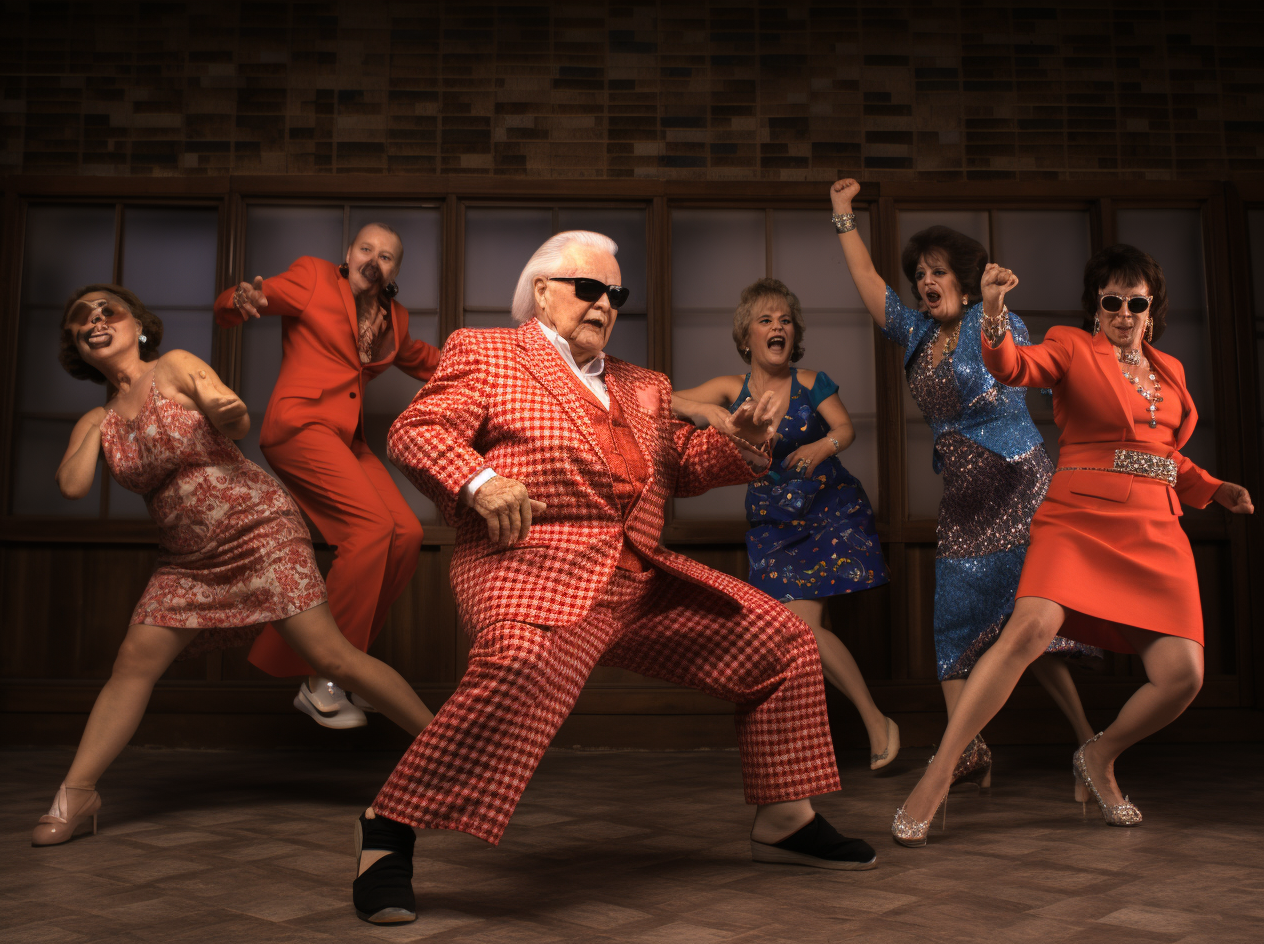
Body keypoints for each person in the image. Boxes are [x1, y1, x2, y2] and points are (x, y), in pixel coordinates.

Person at [349, 231, 877, 926]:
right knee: (521, 662)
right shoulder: (488, 352)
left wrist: (742, 442)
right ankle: (388, 828)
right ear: (542, 293)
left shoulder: (644, 386)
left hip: (639, 579)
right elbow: (416, 431)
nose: (604, 304)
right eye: (587, 289)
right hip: (530, 566)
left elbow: (681, 469)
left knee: (782, 639)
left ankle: (786, 817)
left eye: (614, 295)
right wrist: (478, 480)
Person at [33, 285, 433, 847]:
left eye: (109, 312)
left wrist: (226, 408)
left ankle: (448, 752)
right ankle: (78, 794)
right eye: (82, 320)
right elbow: (73, 486)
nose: (97, 321)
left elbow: (235, 418)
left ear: (138, 326)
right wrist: (100, 424)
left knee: (330, 656)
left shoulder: (173, 367)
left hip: (258, 530)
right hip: (186, 561)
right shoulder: (95, 421)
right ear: (78, 344)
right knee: (132, 662)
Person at [890, 245, 1255, 845]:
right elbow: (1012, 367)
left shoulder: (1171, 371)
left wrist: (1212, 490)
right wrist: (993, 311)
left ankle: (1099, 755)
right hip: (1079, 518)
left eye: (1136, 302)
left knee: (1183, 676)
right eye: (1112, 301)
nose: (1124, 312)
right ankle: (938, 773)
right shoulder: (1070, 346)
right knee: (1028, 630)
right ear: (1096, 307)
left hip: (1157, 531)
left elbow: (1163, 454)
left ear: (1151, 310)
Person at [830, 178, 1099, 790]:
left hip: (1019, 488)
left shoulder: (994, 318)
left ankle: (1090, 745)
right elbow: (870, 283)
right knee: (952, 628)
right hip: (963, 499)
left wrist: (996, 307)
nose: (926, 281)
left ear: (964, 278)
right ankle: (966, 748)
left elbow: (1019, 370)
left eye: (938, 271)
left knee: (1033, 634)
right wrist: (843, 215)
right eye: (920, 273)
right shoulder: (917, 333)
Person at [215, 224, 441, 729]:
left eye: (386, 257)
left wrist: (500, 365)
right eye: (366, 249)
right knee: (369, 531)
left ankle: (345, 669)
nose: (373, 260)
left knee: (406, 536)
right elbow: (252, 297)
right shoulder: (313, 277)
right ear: (348, 254)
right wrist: (242, 299)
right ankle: (326, 672)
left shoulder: (394, 321)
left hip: (346, 439)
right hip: (300, 425)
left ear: (395, 271)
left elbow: (429, 362)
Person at [672, 277, 897, 770]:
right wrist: (709, 412)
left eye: (786, 320)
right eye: (766, 320)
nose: (778, 327)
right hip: (773, 523)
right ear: (746, 336)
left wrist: (822, 446)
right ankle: (820, 746)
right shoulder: (731, 389)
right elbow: (661, 400)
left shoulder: (812, 382)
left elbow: (846, 428)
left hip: (828, 509)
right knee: (799, 634)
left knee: (803, 630)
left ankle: (873, 722)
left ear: (794, 335)